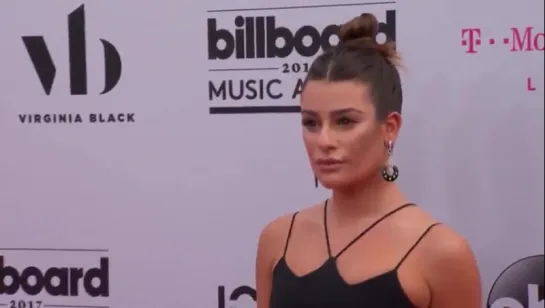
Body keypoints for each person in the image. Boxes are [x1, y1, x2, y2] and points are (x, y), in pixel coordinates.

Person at [255, 13, 482, 308]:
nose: (324, 140)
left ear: (389, 128)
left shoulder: (442, 253)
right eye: (311, 123)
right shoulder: (277, 238)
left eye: (345, 121)